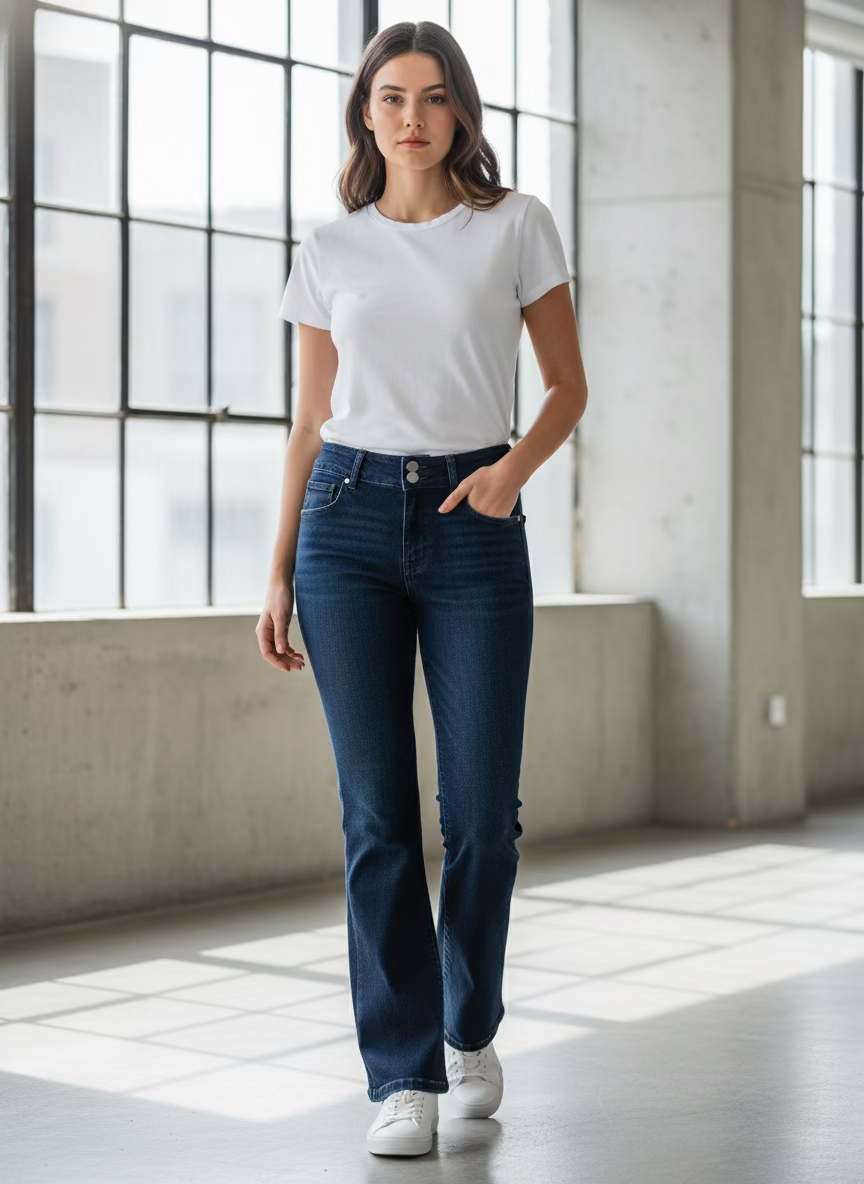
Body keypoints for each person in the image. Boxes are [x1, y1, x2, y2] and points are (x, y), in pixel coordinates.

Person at [256, 19, 587, 1159]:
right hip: (345, 528)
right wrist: (277, 568)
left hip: (473, 521)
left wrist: (509, 471)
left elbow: (566, 387)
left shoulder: (514, 225)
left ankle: (469, 1019)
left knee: (483, 816)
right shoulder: (329, 245)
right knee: (375, 817)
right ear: (365, 113)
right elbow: (307, 423)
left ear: (462, 113)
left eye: (433, 97)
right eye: (390, 96)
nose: (411, 116)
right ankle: (402, 1071)